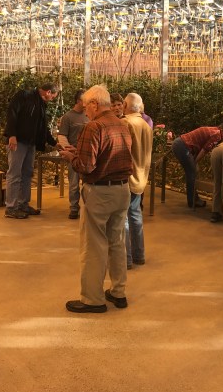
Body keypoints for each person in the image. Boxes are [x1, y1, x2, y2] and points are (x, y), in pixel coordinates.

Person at [59, 84, 133, 313]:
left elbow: (87, 166)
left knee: (94, 246)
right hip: (123, 190)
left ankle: (92, 299)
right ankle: (118, 292)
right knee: (117, 242)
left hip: (100, 192)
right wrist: (78, 154)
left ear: (94, 104)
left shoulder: (93, 126)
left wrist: (70, 157)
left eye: (85, 106)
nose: (85, 111)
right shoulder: (122, 124)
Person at [3, 81, 58, 219]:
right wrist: (12, 135)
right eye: (53, 97)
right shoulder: (24, 95)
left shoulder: (41, 105)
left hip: (31, 143)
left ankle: (23, 204)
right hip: (18, 141)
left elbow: (43, 127)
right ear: (48, 92)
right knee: (14, 174)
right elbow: (12, 113)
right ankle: (11, 207)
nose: (52, 100)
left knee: (27, 173)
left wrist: (54, 143)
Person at [122, 92, 153, 268]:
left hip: (126, 176)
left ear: (126, 105)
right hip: (141, 177)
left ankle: (126, 259)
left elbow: (122, 150)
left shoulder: (126, 123)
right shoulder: (146, 125)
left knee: (123, 219)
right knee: (135, 215)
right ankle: (139, 255)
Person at [172, 123, 223, 208]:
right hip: (183, 146)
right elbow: (204, 150)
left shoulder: (214, 130)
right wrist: (195, 162)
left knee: (193, 171)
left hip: (179, 143)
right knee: (192, 173)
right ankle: (193, 201)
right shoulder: (217, 135)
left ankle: (194, 199)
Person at [57, 89, 89, 220]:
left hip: (87, 154)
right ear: (78, 101)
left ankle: (87, 208)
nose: (87, 103)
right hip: (73, 154)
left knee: (87, 183)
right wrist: (68, 151)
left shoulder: (89, 115)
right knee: (74, 183)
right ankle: (74, 208)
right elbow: (62, 136)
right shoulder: (68, 117)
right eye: (85, 100)